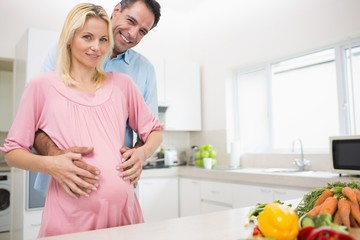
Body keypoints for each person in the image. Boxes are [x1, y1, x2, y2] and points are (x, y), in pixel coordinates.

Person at [0, 3, 163, 237]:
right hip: (69, 207)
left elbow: (153, 130)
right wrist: (53, 162)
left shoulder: (125, 83)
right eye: (87, 37)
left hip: (124, 209)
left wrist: (141, 154)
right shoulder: (43, 85)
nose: (96, 47)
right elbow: (20, 143)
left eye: (102, 40)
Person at [34, 0, 162, 198]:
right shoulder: (63, 53)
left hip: (116, 187)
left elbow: (151, 132)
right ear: (117, 10)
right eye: (130, 21)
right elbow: (37, 122)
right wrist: (56, 156)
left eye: (142, 31)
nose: (133, 34)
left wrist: (140, 155)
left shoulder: (143, 71)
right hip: (66, 185)